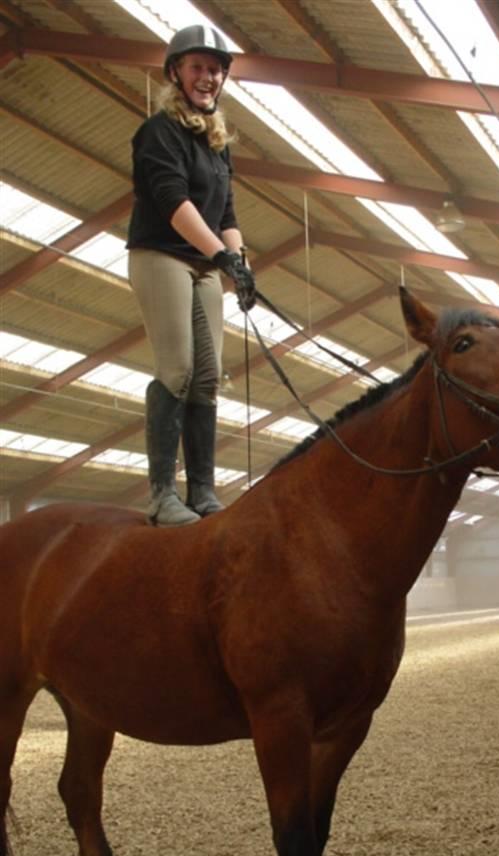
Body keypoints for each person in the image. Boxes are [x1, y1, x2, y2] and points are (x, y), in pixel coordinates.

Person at [127, 25, 256, 526]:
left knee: (208, 378)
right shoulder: (158, 132)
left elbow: (227, 214)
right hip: (162, 255)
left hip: (207, 264)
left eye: (215, 70)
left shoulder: (219, 145)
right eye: (198, 67)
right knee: (177, 368)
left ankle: (202, 489)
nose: (208, 77)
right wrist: (220, 257)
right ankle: (162, 493)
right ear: (176, 72)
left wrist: (238, 263)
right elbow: (173, 202)